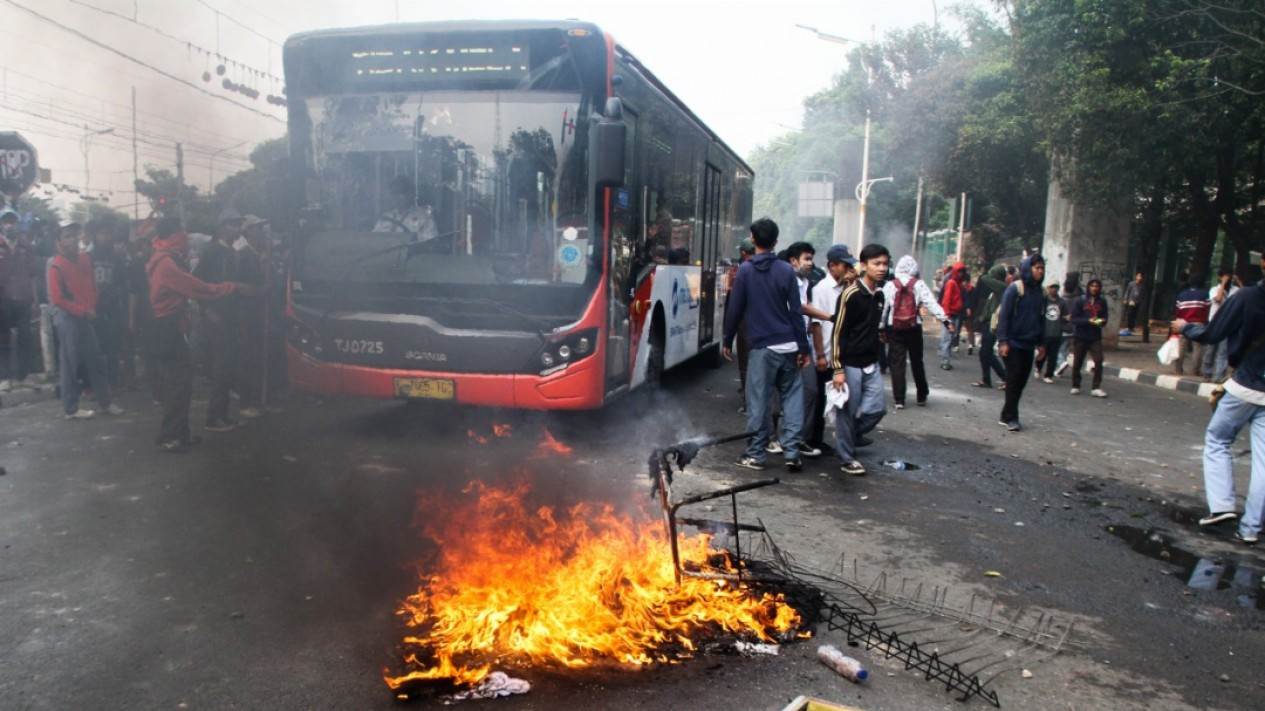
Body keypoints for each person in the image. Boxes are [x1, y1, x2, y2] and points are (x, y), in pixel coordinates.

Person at [1177, 250, 1265, 545]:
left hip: (1244, 385)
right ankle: (1250, 528)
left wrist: (1185, 328)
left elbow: (1212, 335)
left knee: (1218, 439)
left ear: (1263, 262)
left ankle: (1222, 506)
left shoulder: (1246, 297)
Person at [147, 217, 246, 452]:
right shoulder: (167, 263)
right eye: (183, 233)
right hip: (169, 327)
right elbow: (198, 288)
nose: (187, 238)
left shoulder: (164, 258)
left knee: (180, 382)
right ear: (175, 236)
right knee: (178, 384)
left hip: (168, 325)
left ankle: (180, 433)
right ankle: (170, 436)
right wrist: (231, 287)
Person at [722, 218, 810, 472]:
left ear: (753, 239)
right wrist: (803, 347)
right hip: (789, 344)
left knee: (758, 403)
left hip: (762, 347)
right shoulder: (786, 270)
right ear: (776, 241)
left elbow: (735, 308)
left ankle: (756, 455)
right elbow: (796, 311)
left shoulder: (746, 270)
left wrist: (728, 339)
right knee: (792, 400)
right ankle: (792, 452)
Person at [47, 223, 122, 419]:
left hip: (86, 315)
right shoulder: (56, 266)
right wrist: (83, 311)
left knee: (96, 360)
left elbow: (92, 284)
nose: (72, 239)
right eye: (67, 236)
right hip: (68, 317)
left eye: (73, 236)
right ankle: (71, 409)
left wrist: (91, 307)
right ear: (59, 242)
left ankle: (105, 403)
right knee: (70, 364)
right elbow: (57, 299)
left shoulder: (84, 259)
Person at [830, 243, 890, 476]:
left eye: (885, 264)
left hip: (870, 362)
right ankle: (847, 458)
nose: (882, 268)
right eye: (877, 264)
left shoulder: (880, 295)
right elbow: (838, 333)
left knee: (878, 409)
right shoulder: (850, 294)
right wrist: (838, 368)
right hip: (850, 363)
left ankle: (846, 436)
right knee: (847, 411)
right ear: (864, 266)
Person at [193, 210, 245, 431]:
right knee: (222, 368)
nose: (237, 229)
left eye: (238, 224)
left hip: (231, 316)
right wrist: (207, 309)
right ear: (222, 227)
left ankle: (222, 414)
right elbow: (196, 282)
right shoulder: (213, 251)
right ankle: (214, 418)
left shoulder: (233, 253)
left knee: (228, 366)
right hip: (217, 316)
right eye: (233, 224)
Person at [881, 255, 950, 409]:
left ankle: (899, 399)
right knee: (917, 361)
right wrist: (945, 320)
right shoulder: (919, 284)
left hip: (894, 327)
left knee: (897, 363)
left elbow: (884, 309)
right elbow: (931, 304)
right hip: (914, 327)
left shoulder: (890, 285)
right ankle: (921, 394)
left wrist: (881, 327)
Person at [807, 245, 851, 456]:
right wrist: (821, 355)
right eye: (844, 265)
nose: (848, 268)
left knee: (836, 397)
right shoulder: (821, 289)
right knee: (819, 399)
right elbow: (816, 324)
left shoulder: (846, 288)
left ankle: (827, 438)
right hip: (825, 351)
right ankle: (813, 439)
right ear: (832, 266)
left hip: (840, 353)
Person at [995, 254, 1046, 432]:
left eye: (1042, 268)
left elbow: (1041, 319)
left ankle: (1005, 414)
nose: (1040, 271)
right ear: (1028, 268)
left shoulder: (1041, 292)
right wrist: (1003, 341)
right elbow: (1004, 316)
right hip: (1013, 343)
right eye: (1037, 268)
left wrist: (1042, 343)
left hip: (1029, 344)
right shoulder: (1015, 289)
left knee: (1021, 381)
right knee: (1014, 379)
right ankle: (1012, 417)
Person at [787, 241, 824, 457]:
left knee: (810, 392)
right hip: (789, 345)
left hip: (803, 343)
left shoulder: (806, 282)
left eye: (811, 259)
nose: (810, 263)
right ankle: (776, 439)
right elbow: (799, 308)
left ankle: (798, 438)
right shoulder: (788, 281)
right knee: (782, 394)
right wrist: (827, 316)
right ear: (794, 261)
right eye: (806, 259)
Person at [0, 208, 41, 389]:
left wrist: (35, 299)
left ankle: (22, 375)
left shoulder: (27, 247)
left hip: (23, 299)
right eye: (6, 222)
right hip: (2, 300)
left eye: (12, 222)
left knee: (25, 336)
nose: (9, 225)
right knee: (3, 338)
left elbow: (33, 275)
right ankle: (4, 377)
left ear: (18, 224)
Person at [236, 215, 270, 418]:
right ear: (248, 231)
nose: (261, 232)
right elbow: (238, 287)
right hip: (247, 314)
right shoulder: (243, 255)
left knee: (258, 357)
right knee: (247, 359)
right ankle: (245, 402)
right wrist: (258, 292)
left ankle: (258, 400)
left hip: (259, 314)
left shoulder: (261, 254)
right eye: (257, 228)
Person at [1069, 278, 1108, 397]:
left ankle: (1096, 387)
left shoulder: (1102, 301)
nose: (1094, 288)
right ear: (1088, 287)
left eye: (1097, 286)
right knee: (1078, 362)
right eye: (1092, 286)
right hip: (1080, 336)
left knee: (1099, 360)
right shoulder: (1080, 300)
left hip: (1094, 337)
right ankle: (1076, 385)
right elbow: (1074, 319)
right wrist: (1087, 321)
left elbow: (1104, 320)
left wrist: (1097, 321)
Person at [972, 265, 1009, 389]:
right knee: (983, 352)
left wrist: (987, 274)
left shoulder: (1002, 287)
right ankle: (986, 379)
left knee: (987, 353)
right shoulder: (996, 290)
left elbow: (984, 278)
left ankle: (1005, 377)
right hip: (987, 323)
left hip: (993, 324)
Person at [374, 175, 437, 242]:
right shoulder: (384, 218)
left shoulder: (424, 216)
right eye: (394, 193)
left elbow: (430, 242)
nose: (396, 197)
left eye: (401, 192)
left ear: (410, 193)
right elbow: (373, 240)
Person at [1203, 269, 1240, 383]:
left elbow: (1246, 296)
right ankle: (1207, 373)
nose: (1228, 279)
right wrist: (1223, 283)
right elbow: (1218, 299)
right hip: (1214, 323)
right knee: (1210, 350)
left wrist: (1239, 282)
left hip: (1228, 323)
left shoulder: (1235, 290)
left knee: (1223, 351)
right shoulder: (1214, 289)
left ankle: (1219, 375)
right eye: (1226, 276)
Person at [1173, 274, 1210, 376]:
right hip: (1199, 322)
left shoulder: (1182, 294)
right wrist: (1206, 322)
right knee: (1198, 347)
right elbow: (1207, 309)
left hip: (1183, 322)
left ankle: (1178, 369)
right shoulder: (1204, 294)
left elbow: (1178, 311)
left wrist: (1178, 322)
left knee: (1182, 346)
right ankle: (1195, 370)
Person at [1034, 284, 1067, 383]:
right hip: (1044, 332)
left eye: (1056, 287)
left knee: (1053, 356)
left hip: (1056, 333)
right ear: (1048, 288)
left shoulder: (1062, 302)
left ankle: (1048, 375)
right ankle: (1038, 368)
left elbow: (1065, 316)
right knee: (1042, 354)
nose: (1054, 289)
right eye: (1052, 287)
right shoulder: (1043, 301)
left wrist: (1066, 319)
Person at [938, 262, 967, 370]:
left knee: (950, 338)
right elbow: (946, 300)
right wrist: (946, 317)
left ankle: (945, 359)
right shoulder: (951, 283)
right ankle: (945, 361)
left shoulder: (958, 283)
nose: (961, 273)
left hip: (955, 314)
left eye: (962, 271)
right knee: (947, 339)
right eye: (959, 271)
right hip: (950, 314)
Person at [1120, 272, 1146, 336]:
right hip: (1131, 300)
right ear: (1136, 276)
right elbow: (1128, 291)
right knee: (1130, 314)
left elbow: (1142, 294)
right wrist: (1125, 299)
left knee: (1134, 315)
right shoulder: (1131, 284)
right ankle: (1129, 327)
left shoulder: (1142, 285)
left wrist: (1141, 301)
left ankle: (1132, 327)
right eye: (1139, 276)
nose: (1140, 277)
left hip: (1137, 302)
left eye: (1141, 276)